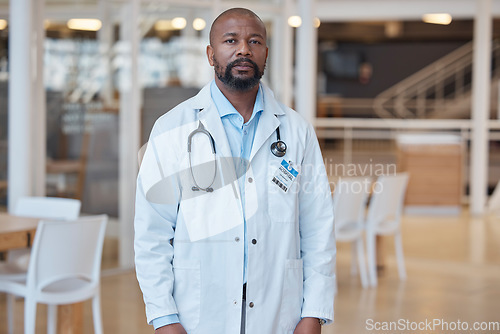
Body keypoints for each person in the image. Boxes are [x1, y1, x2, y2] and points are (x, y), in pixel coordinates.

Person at [134, 8, 336, 334]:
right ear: (211, 54)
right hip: (198, 312)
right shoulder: (171, 129)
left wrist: (313, 312)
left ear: (265, 53)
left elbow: (317, 229)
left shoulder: (297, 132)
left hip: (278, 311)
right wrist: (164, 317)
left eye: (254, 41)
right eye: (231, 40)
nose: (243, 49)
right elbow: (152, 234)